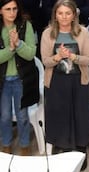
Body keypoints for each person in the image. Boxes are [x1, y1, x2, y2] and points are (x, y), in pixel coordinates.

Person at [40, 0, 89, 169]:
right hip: (56, 81)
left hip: (79, 81)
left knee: (80, 114)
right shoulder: (47, 33)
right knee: (57, 114)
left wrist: (72, 57)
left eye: (67, 13)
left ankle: (80, 149)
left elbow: (88, 59)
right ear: (55, 15)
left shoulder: (83, 32)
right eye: (60, 13)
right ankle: (59, 144)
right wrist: (58, 57)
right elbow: (46, 62)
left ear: (74, 15)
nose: (64, 17)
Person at [0, 0, 38, 155]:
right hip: (2, 81)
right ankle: (6, 143)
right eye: (7, 9)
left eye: (14, 8)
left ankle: (24, 144)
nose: (12, 12)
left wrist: (19, 43)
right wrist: (11, 48)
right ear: (0, 11)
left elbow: (30, 54)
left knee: (22, 116)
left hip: (21, 79)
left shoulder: (25, 25)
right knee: (4, 116)